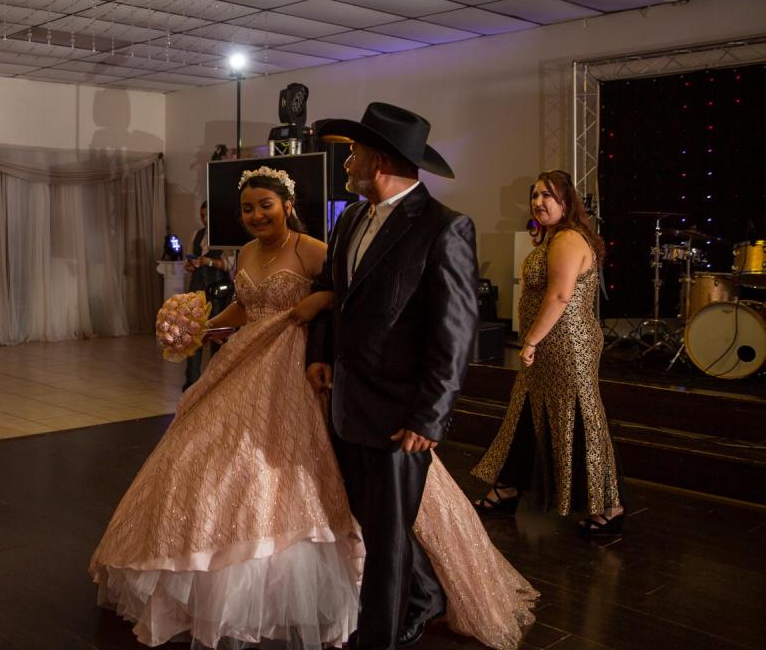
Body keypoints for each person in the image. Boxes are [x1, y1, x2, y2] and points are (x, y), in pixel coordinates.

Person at [90, 167, 536, 650]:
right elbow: (246, 306)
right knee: (207, 457)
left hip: (300, 365)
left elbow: (348, 293)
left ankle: (400, 588)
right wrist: (205, 327)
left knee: (303, 471)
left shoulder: (311, 247)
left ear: (287, 205)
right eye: (247, 208)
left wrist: (319, 300)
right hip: (248, 360)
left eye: (265, 205)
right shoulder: (245, 253)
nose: (256, 215)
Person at [306, 103, 482, 650]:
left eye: (353, 153)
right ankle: (425, 596)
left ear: (378, 161)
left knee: (386, 538)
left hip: (402, 413)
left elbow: (456, 333)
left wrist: (431, 416)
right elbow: (334, 297)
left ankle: (376, 638)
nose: (346, 163)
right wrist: (321, 353)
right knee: (374, 520)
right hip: (346, 403)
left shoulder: (444, 227)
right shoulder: (349, 221)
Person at [472, 170, 625, 536]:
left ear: (566, 202)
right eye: (535, 195)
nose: (538, 202)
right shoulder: (555, 237)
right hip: (550, 346)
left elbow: (559, 296)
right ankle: (507, 487)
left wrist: (530, 342)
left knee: (577, 420)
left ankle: (610, 506)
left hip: (566, 346)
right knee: (527, 413)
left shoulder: (569, 238)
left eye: (547, 196)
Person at [182, 200, 232, 389]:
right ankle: (191, 383)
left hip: (217, 292)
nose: (205, 220)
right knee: (193, 336)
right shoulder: (197, 235)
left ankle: (215, 382)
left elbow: (229, 265)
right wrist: (191, 265)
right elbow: (189, 260)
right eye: (202, 216)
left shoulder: (225, 236)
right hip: (197, 290)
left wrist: (209, 262)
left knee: (216, 336)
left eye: (207, 215)